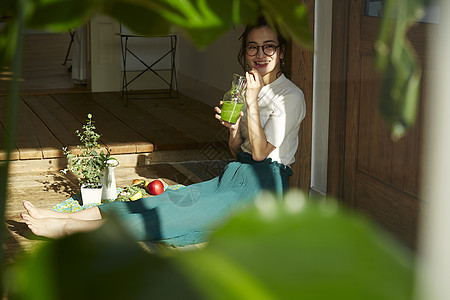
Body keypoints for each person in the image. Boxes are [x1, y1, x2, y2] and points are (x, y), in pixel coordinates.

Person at [21, 17, 306, 246]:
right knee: (167, 199)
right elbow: (239, 151)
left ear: (281, 51)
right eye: (253, 47)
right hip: (234, 176)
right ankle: (66, 216)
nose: (260, 54)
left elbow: (259, 154)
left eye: (269, 46)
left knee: (170, 215)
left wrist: (252, 102)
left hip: (262, 189)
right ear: (245, 51)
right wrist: (233, 129)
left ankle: (69, 229)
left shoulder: (289, 96)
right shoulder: (249, 89)